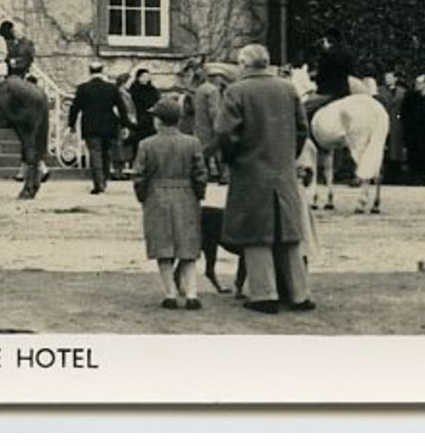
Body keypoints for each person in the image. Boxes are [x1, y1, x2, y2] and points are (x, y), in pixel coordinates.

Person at [215, 43, 314, 315]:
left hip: (251, 171)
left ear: (244, 64)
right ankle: (299, 294)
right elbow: (302, 130)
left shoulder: (237, 91)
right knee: (288, 233)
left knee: (256, 234)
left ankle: (264, 294)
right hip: (283, 171)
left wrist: (233, 157)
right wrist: (285, 156)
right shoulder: (288, 88)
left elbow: (224, 133)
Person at [133, 96, 208, 310]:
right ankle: (192, 293)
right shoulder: (192, 142)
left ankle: (170, 294)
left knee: (163, 248)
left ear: (158, 120)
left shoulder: (146, 144)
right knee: (188, 248)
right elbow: (201, 174)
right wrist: (198, 195)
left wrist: (143, 197)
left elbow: (139, 176)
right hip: (186, 196)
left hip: (157, 196)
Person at [68, 60, 129, 194]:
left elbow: (75, 108)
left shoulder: (83, 88)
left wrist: (71, 124)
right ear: (102, 71)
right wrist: (125, 125)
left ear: (90, 72)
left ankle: (98, 183)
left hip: (90, 125)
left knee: (95, 153)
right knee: (106, 154)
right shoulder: (111, 88)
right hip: (109, 124)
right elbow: (121, 107)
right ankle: (104, 181)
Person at [193, 61, 235, 184]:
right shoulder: (213, 91)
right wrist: (219, 125)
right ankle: (224, 176)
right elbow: (214, 110)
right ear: (216, 78)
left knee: (204, 151)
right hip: (211, 126)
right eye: (220, 77)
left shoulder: (200, 89)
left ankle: (203, 175)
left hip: (200, 124)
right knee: (218, 150)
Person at [376, 71, 408, 182]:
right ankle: (382, 174)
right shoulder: (379, 91)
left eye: (390, 78)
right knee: (383, 148)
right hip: (383, 122)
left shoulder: (403, 92)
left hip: (397, 123)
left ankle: (395, 175)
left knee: (396, 149)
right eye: (386, 78)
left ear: (395, 79)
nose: (387, 80)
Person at [314, 29, 354, 102]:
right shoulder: (347, 52)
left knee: (305, 106)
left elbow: (324, 71)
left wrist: (324, 52)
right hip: (344, 91)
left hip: (327, 92)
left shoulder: (329, 54)